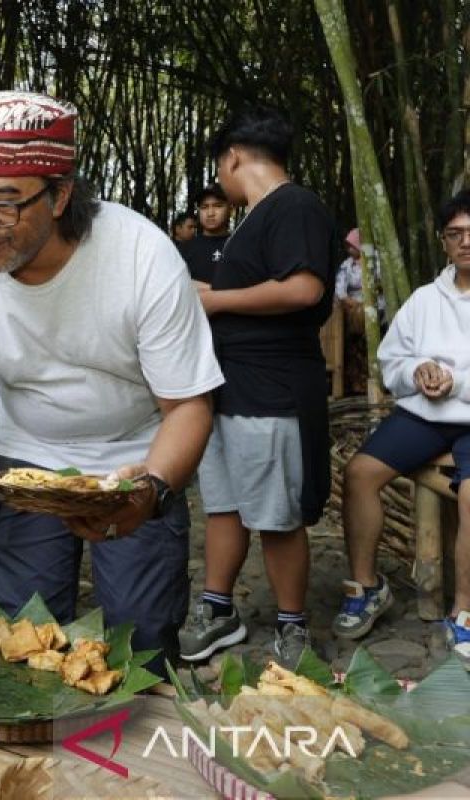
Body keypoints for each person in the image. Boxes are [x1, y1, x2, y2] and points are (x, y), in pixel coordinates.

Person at [0, 91, 223, 668]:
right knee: (22, 645)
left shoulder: (140, 256)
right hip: (21, 461)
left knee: (140, 649)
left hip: (134, 462)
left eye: (3, 204)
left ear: (60, 195)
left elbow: (189, 408)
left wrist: (150, 489)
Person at [183, 107, 341, 666]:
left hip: (271, 387)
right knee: (224, 506)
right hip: (228, 385)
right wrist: (202, 290)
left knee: (274, 514)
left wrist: (217, 300)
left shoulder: (293, 204)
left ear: (233, 157)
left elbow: (302, 288)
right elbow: (253, 289)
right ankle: (218, 608)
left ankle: (293, 626)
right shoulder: (254, 218)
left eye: (219, 170)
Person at [337, 192, 470, 664]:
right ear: (442, 241)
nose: (465, 242)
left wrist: (453, 379)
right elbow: (390, 359)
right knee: (359, 474)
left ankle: (464, 613)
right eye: (455, 234)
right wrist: (416, 372)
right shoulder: (423, 300)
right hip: (425, 415)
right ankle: (367, 586)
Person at [334, 228, 385, 395]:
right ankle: (357, 381)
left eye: (352, 245)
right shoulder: (346, 266)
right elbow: (340, 292)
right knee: (356, 319)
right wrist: (357, 305)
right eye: (348, 245)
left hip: (378, 307)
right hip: (353, 307)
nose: (349, 249)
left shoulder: (377, 261)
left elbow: (384, 286)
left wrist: (370, 301)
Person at [177, 184, 232, 286]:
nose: (210, 213)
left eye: (218, 206)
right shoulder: (184, 250)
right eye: (204, 207)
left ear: (230, 208)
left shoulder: (240, 245)